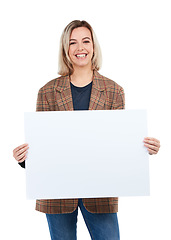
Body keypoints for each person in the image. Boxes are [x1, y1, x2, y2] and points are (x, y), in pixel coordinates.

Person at [13, 20, 160, 240]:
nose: (80, 48)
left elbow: (118, 144)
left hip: (100, 191)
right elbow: (43, 146)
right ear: (66, 49)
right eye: (72, 43)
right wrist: (24, 159)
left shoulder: (113, 91)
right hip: (58, 192)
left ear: (93, 46)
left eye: (85, 41)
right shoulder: (48, 92)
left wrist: (142, 149)